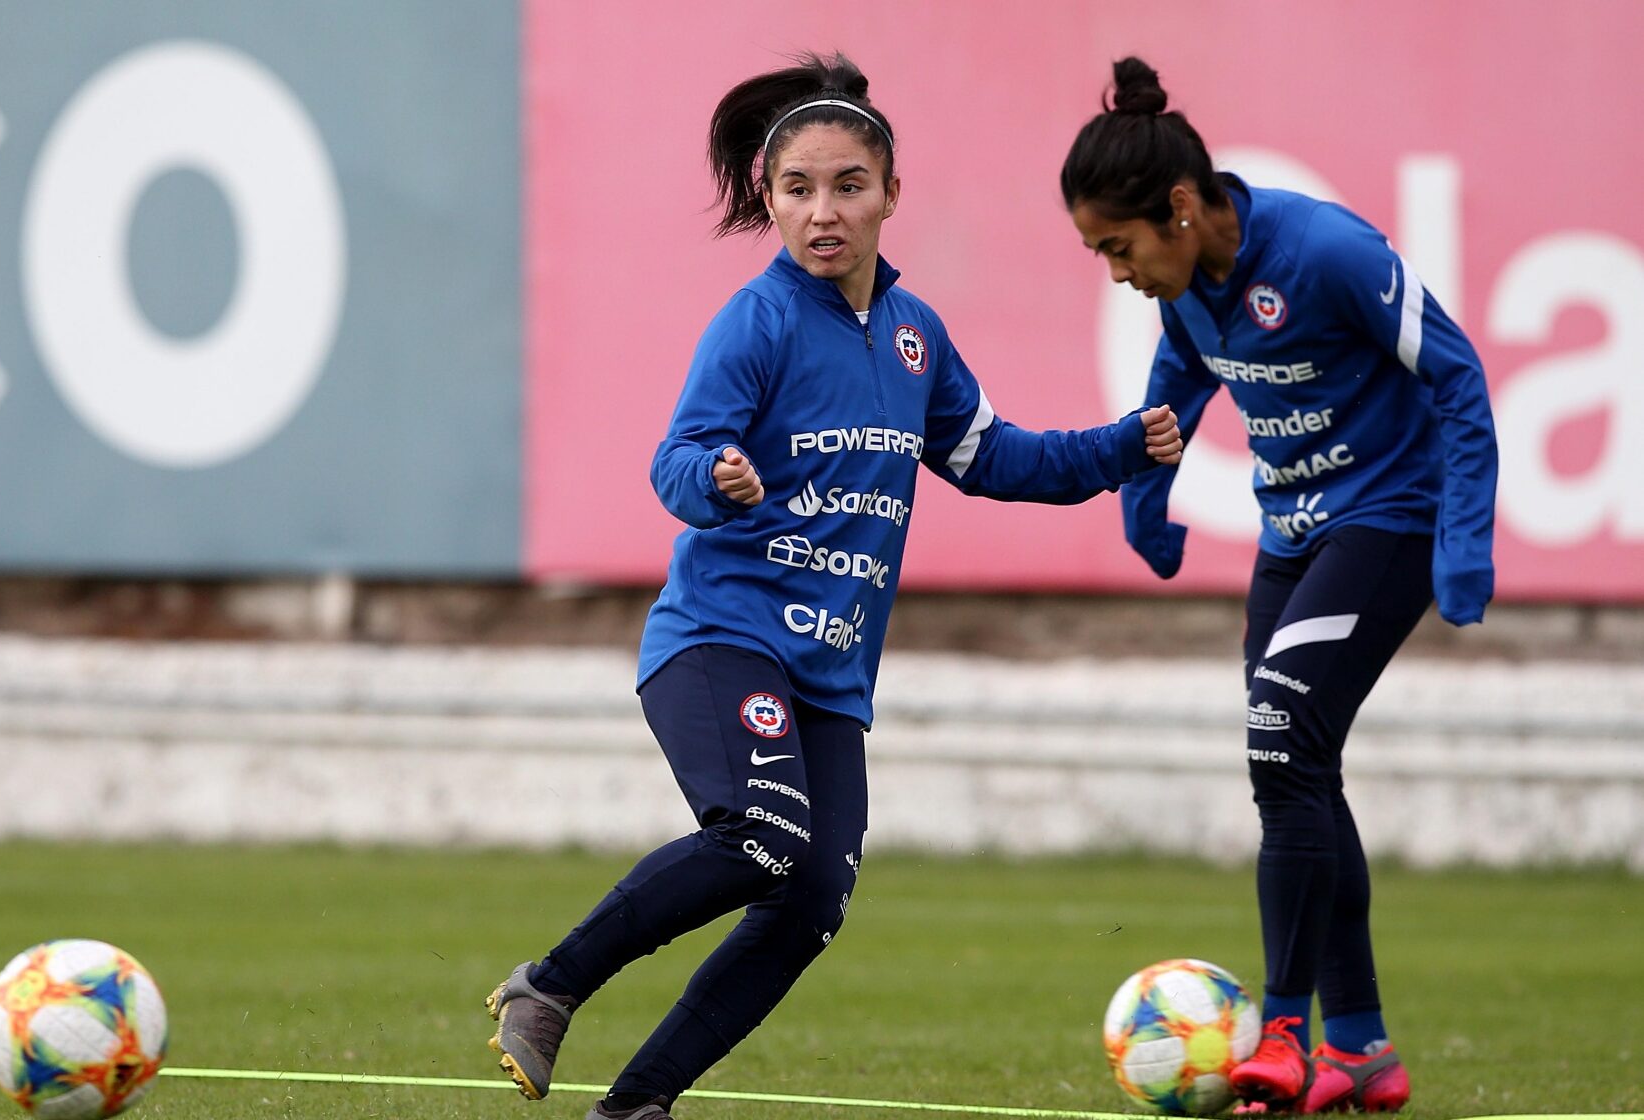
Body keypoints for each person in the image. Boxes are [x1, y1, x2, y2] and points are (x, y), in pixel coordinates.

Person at [485, 52, 1185, 1120]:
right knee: (761, 835)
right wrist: (715, 481)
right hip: (720, 638)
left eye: (848, 187)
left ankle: (635, 1105)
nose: (824, 213)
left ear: (891, 195)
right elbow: (675, 460)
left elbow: (996, 459)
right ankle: (552, 982)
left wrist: (1121, 448)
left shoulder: (916, 336)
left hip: (829, 674)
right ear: (768, 197)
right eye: (799, 190)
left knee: (811, 897)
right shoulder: (756, 323)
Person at [1060, 57, 1499, 1115]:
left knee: (1279, 747)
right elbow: (1179, 374)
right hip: (1292, 536)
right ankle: (1363, 1047)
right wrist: (1144, 497)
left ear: (1178, 208)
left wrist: (1465, 541)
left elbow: (1458, 376)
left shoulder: (1327, 251)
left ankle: (1289, 1032)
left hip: (1387, 522)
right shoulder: (1190, 289)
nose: (1116, 272)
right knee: (1297, 772)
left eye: (1118, 248)